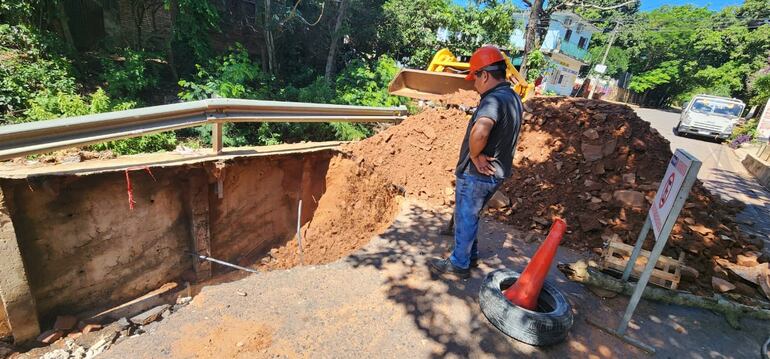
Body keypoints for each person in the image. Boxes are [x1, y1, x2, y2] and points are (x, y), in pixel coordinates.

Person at [429, 46, 524, 279]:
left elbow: (481, 131)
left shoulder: (492, 99)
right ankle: (469, 256)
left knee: (465, 216)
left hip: (478, 173)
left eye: (476, 78)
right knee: (471, 215)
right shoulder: (513, 97)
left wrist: (473, 155)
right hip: (497, 172)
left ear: (485, 75)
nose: (474, 84)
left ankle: (459, 265)